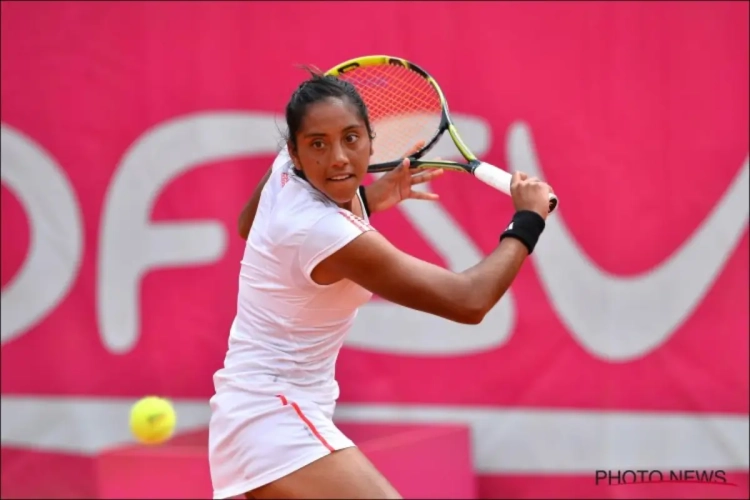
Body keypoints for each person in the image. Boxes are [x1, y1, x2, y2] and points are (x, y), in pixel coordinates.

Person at [208, 69, 554, 500]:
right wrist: (528, 219)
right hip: (272, 418)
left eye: (351, 138)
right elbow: (469, 300)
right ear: (295, 152)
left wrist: (368, 201)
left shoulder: (285, 173)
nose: (337, 157)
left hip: (254, 414)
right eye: (318, 144)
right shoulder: (321, 230)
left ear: (372, 139)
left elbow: (249, 225)